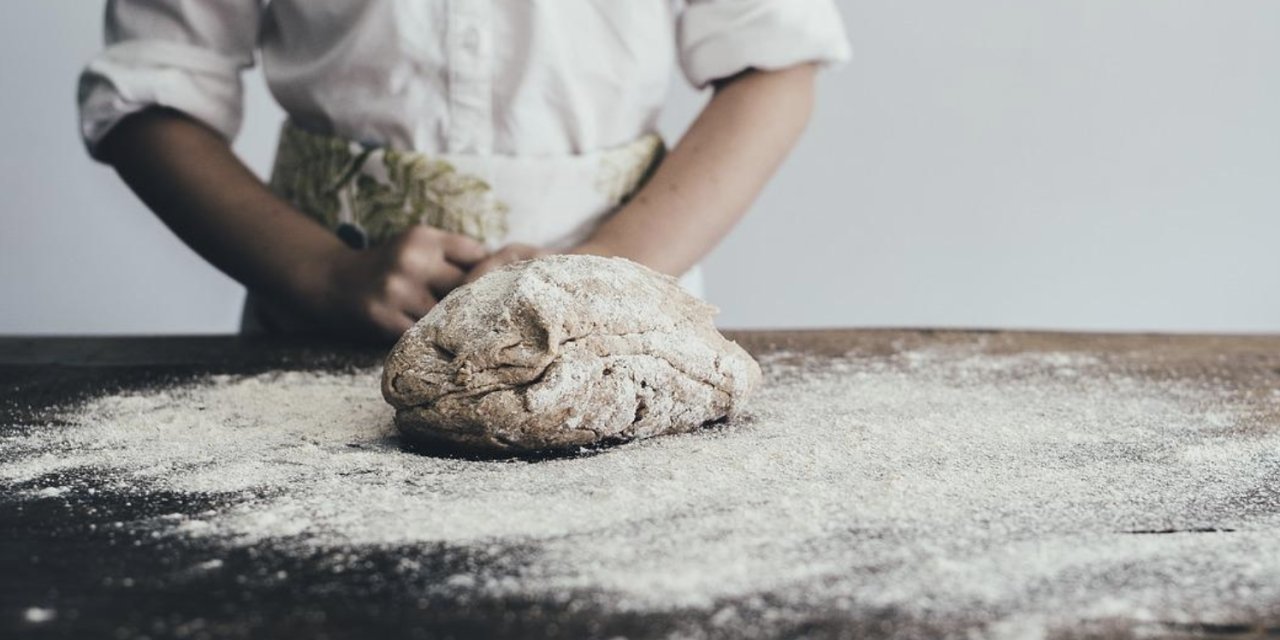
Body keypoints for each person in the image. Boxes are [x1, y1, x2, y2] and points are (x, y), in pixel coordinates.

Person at [79, 1, 850, 342]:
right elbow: (149, 91)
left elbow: (774, 65)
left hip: (617, 324)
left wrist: (603, 275)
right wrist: (320, 274)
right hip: (322, 326)